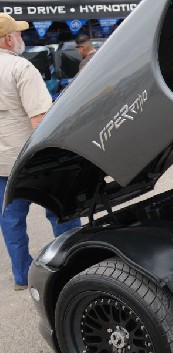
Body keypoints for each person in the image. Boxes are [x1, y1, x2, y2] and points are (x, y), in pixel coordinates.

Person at [0, 13, 81, 290]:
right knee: (62, 211)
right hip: (31, 159)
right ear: (9, 39)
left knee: (11, 221)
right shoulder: (21, 68)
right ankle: (73, 268)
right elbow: (40, 120)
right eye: (19, 34)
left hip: (0, 163)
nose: (22, 38)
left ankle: (22, 277)